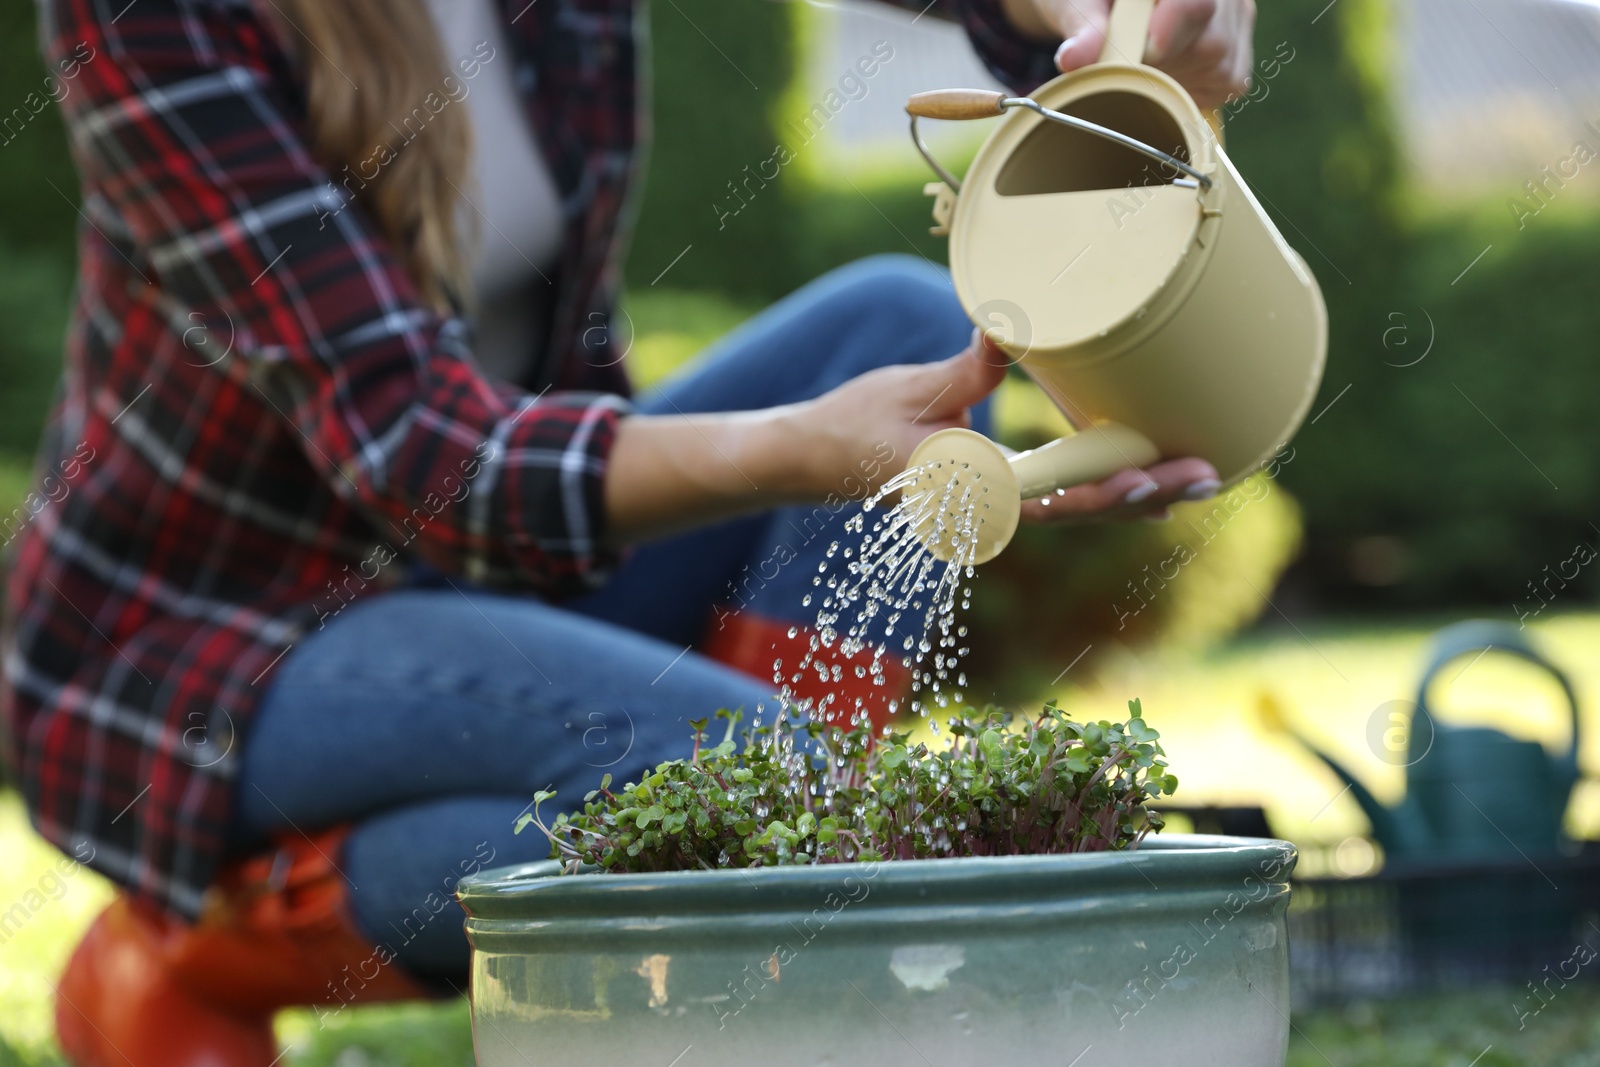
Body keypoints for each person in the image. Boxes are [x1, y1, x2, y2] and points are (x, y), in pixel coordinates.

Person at [0, 0, 1252, 1062]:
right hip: (216, 648)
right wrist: (806, 447)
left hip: (521, 566)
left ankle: (781, 958)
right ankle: (190, 945)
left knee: (901, 319)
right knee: (744, 772)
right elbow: (418, 448)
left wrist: (1080, 13)